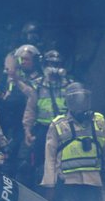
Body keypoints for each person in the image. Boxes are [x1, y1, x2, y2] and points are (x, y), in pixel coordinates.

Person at [23, 49, 71, 190]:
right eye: (50, 64)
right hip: (43, 130)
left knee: (64, 162)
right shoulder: (37, 85)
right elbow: (30, 110)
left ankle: (63, 192)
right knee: (40, 164)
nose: (54, 68)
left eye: (57, 64)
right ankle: (42, 192)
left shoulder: (69, 85)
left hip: (65, 130)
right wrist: (27, 130)